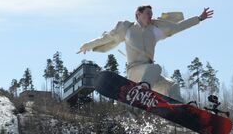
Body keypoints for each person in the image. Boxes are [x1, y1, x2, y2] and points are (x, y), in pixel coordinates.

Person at [78, 6, 213, 99]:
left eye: (151, 14)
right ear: (138, 14)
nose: (150, 16)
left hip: (149, 76)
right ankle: (142, 90)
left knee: (172, 85)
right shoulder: (127, 29)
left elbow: (178, 27)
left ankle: (182, 110)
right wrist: (87, 45)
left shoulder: (154, 31)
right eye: (147, 13)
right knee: (155, 67)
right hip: (134, 72)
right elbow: (106, 38)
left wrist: (199, 18)